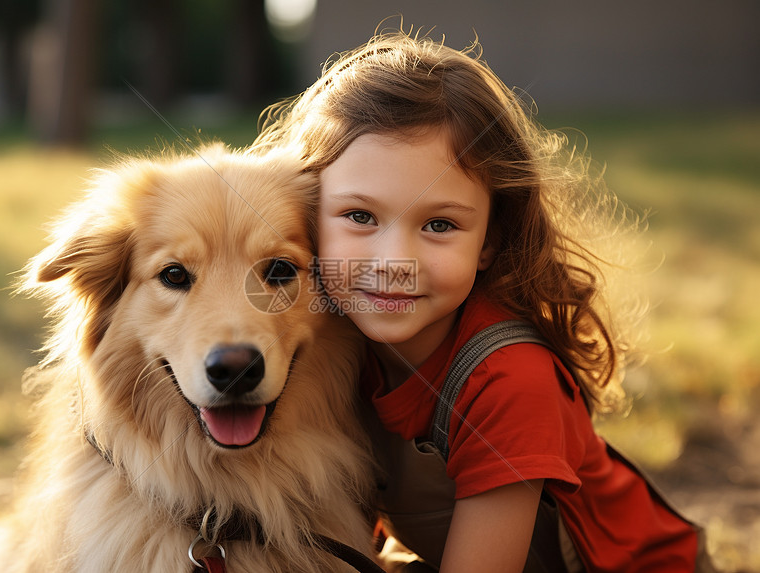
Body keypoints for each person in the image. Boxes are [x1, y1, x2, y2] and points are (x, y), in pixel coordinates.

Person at [254, 31, 716, 573]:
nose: (391, 261)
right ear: (306, 214)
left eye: (440, 224)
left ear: (490, 240)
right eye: (359, 216)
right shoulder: (335, 343)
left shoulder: (509, 380)